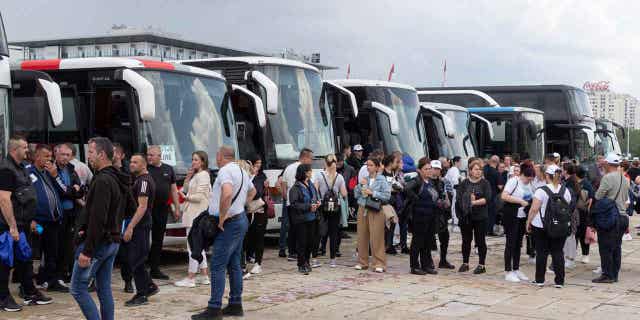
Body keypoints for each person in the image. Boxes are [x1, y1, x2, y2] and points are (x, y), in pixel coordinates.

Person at [191, 146, 255, 320]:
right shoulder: (241, 170)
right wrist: (240, 206)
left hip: (228, 224)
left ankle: (214, 309)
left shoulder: (225, 171)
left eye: (217, 156)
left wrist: (222, 217)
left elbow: (226, 193)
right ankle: (235, 304)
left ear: (220, 156)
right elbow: (253, 191)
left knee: (218, 265)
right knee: (234, 264)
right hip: (239, 220)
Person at [71, 137, 130, 320]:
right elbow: (130, 208)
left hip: (99, 244)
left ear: (102, 154)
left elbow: (98, 218)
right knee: (104, 288)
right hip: (112, 241)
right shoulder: (118, 178)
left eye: (90, 152)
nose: (88, 157)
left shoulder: (103, 180)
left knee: (78, 288)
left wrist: (87, 251)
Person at [0, 136, 52, 312]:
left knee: (25, 259)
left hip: (24, 223)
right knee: (5, 262)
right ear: (14, 150)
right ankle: (3, 298)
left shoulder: (21, 168)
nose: (27, 150)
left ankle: (29, 292)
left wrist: (30, 221)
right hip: (8, 226)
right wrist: (12, 226)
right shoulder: (6, 169)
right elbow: (4, 200)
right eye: (24, 148)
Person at [30, 144, 69, 292]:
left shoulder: (50, 172)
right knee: (35, 252)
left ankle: (51, 281)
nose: (49, 159)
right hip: (38, 222)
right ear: (37, 156)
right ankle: (29, 283)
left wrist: (55, 175)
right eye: (46, 156)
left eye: (50, 156)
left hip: (53, 221)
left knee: (52, 251)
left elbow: (64, 190)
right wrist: (31, 219)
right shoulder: (28, 172)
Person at [526, 164, 571, 288]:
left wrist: (528, 221)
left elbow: (534, 208)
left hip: (541, 225)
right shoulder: (565, 191)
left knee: (542, 252)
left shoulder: (541, 190)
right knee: (558, 252)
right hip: (560, 225)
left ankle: (540, 279)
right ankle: (559, 281)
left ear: (547, 176)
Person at [174, 151, 212, 287]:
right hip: (193, 214)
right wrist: (187, 178)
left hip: (196, 215)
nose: (193, 162)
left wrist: (185, 198)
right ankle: (204, 275)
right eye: (192, 159)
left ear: (202, 161)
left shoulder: (204, 175)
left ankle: (191, 278)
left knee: (193, 247)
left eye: (196, 160)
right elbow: (187, 189)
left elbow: (200, 196)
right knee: (198, 247)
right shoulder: (198, 175)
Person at [123, 154, 157, 306]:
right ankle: (149, 286)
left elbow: (142, 206)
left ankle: (141, 294)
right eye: (131, 161)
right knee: (136, 258)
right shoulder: (139, 179)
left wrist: (131, 226)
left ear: (144, 165)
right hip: (139, 224)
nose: (131, 164)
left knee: (136, 260)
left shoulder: (143, 181)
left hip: (140, 225)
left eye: (135, 162)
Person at [592, 153, 630, 283]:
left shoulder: (607, 178)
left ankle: (607, 274)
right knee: (616, 247)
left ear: (608, 164)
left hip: (610, 218)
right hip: (623, 217)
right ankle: (614, 274)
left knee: (605, 247)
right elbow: (625, 199)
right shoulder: (625, 179)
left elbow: (598, 196)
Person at [146, 145, 181, 280]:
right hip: (147, 208)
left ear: (159, 156)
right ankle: (140, 268)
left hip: (162, 209)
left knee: (158, 239)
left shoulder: (168, 169)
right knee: (142, 238)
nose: (148, 157)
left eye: (151, 155)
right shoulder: (145, 169)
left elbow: (173, 190)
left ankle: (155, 269)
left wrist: (177, 207)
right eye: (148, 155)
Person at [53, 144, 85, 285]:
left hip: (71, 214)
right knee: (55, 245)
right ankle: (54, 276)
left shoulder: (71, 169)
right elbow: (62, 191)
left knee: (68, 245)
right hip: (56, 214)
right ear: (56, 154)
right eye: (62, 154)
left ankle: (64, 273)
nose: (65, 157)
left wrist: (72, 190)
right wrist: (72, 190)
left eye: (68, 155)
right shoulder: (51, 170)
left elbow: (80, 191)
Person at [354, 157, 391, 273]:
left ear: (376, 167)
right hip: (363, 208)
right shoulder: (364, 179)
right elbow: (355, 194)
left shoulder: (382, 179)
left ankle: (379, 263)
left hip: (375, 209)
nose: (368, 167)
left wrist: (373, 192)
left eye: (370, 165)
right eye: (367, 165)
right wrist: (360, 186)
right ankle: (362, 261)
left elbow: (387, 196)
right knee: (362, 236)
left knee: (377, 236)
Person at [500, 161, 535, 283]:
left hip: (522, 217)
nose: (528, 181)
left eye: (531, 180)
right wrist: (520, 201)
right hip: (512, 215)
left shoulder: (529, 184)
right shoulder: (513, 181)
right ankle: (508, 270)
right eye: (527, 179)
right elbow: (504, 196)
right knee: (510, 242)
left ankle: (516, 268)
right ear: (523, 175)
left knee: (518, 243)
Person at [404, 158, 438, 275]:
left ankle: (426, 264)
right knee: (417, 241)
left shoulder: (431, 182)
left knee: (428, 241)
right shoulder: (417, 181)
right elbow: (407, 188)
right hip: (419, 216)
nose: (429, 171)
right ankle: (414, 266)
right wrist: (416, 199)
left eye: (430, 168)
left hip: (430, 215)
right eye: (426, 169)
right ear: (420, 170)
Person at [457, 160, 491, 274]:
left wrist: (474, 202)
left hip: (480, 216)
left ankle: (482, 264)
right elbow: (459, 198)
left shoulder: (485, 183)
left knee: (480, 240)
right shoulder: (464, 183)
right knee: (466, 240)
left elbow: (487, 198)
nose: (478, 172)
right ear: (470, 170)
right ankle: (465, 262)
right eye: (476, 169)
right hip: (466, 216)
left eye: (480, 169)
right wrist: (465, 205)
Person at [314, 154, 348, 268]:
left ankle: (314, 259)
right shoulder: (339, 177)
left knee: (318, 232)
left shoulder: (319, 175)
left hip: (322, 207)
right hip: (335, 208)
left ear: (325, 163)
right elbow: (344, 194)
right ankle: (333, 260)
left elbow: (314, 189)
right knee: (333, 234)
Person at [280, 148, 314, 260]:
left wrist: (286, 199)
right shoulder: (302, 170)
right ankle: (296, 252)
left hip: (289, 202)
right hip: (300, 203)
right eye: (311, 159)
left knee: (289, 228)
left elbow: (283, 186)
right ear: (305, 157)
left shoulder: (288, 167)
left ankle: (288, 251)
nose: (311, 162)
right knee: (299, 230)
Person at [289, 164, 320, 274]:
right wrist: (308, 207)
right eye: (310, 171)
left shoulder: (310, 184)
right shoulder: (296, 188)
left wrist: (317, 203)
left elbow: (315, 196)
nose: (311, 173)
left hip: (312, 217)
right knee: (302, 242)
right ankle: (301, 264)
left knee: (310, 242)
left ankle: (307, 261)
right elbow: (294, 204)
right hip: (301, 219)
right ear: (305, 173)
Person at [244, 156, 268, 275]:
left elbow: (257, 192)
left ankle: (258, 263)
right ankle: (245, 260)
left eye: (260, 163)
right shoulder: (246, 175)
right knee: (246, 237)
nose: (258, 166)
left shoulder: (261, 176)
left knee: (258, 237)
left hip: (259, 210)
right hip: (246, 211)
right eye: (255, 163)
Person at [430, 160, 454, 269]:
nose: (435, 171)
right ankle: (428, 260)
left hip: (441, 213)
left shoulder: (443, 182)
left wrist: (446, 202)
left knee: (445, 237)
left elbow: (447, 197)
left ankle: (443, 260)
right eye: (434, 168)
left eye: (437, 169)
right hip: (430, 213)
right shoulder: (426, 182)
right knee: (429, 238)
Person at [382, 154, 404, 255]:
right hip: (386, 202)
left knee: (393, 223)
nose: (397, 163)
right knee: (386, 224)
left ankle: (389, 245)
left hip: (394, 201)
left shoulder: (393, 173)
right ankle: (386, 245)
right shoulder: (383, 174)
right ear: (390, 163)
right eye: (395, 162)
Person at [575, 166, 594, 264]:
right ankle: (584, 255)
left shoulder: (584, 184)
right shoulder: (587, 184)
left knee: (581, 234)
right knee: (578, 234)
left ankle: (584, 254)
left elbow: (591, 199)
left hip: (581, 212)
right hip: (581, 212)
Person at [484, 155, 502, 236]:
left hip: (484, 195)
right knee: (491, 214)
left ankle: (484, 230)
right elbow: (500, 186)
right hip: (493, 195)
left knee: (485, 213)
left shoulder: (484, 170)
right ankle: (489, 230)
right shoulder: (496, 173)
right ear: (497, 163)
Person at [445, 156, 462, 230]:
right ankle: (455, 219)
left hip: (450, 189)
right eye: (460, 162)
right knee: (454, 204)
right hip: (455, 189)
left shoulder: (450, 169)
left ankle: (453, 217)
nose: (461, 163)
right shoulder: (455, 169)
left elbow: (446, 179)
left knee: (453, 204)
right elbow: (455, 180)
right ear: (456, 162)